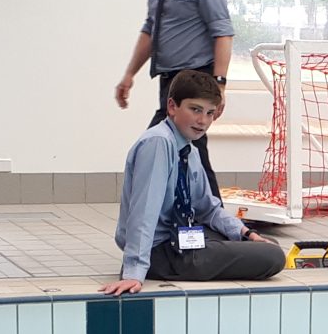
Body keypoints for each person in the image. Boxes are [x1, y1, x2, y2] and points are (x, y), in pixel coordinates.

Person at [101, 71, 284, 297]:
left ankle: (234, 244)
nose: (203, 121)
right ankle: (151, 266)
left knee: (266, 244)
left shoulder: (189, 149)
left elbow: (209, 209)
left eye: (209, 113)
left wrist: (247, 233)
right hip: (163, 251)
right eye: (195, 110)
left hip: (181, 239)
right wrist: (134, 272)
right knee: (273, 257)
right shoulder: (158, 144)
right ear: (172, 107)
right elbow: (144, 212)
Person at [115, 0, 233, 199]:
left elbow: (223, 32)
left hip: (195, 79)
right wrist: (129, 74)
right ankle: (188, 223)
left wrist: (220, 85)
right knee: (179, 150)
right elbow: (151, 28)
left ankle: (216, 225)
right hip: (168, 82)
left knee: (177, 146)